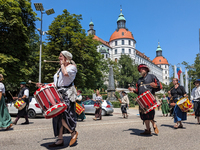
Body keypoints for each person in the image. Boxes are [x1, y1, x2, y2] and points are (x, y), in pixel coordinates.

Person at [37, 50, 78, 147]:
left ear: (66, 58)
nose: (59, 58)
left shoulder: (72, 68)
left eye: (61, 56)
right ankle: (60, 139)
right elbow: (56, 83)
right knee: (56, 116)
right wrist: (44, 85)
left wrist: (63, 65)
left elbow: (66, 74)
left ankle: (73, 132)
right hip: (58, 94)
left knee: (63, 116)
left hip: (66, 94)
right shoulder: (59, 70)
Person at [128, 64, 161, 135]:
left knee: (150, 114)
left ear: (146, 70)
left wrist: (155, 86)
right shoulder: (139, 80)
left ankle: (154, 125)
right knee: (144, 115)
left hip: (149, 99)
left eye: (142, 69)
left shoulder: (152, 77)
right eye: (140, 69)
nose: (141, 70)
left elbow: (160, 86)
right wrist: (133, 89)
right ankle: (148, 130)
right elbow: (138, 90)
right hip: (141, 100)